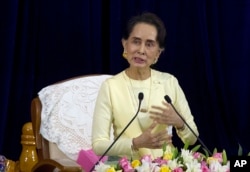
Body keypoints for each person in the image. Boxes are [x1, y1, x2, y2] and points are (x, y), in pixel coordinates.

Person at [92, 12, 199, 160]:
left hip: (167, 166)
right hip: (128, 167)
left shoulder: (169, 82)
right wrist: (135, 143)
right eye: (136, 41)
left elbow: (192, 139)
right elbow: (98, 145)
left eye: (149, 44)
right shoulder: (111, 87)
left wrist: (180, 123)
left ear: (158, 53)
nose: (141, 50)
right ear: (125, 44)